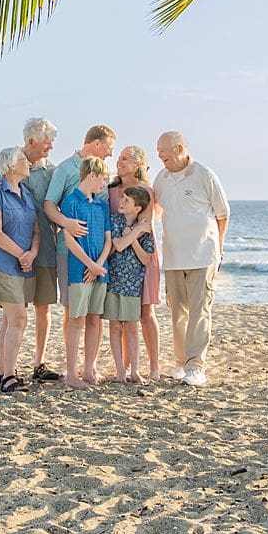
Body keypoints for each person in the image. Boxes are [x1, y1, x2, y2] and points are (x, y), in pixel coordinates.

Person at [0, 116, 62, 382]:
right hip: (12, 253)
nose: (50, 147)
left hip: (43, 248)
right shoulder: (10, 163)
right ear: (31, 141)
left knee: (43, 307)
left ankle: (39, 363)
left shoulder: (51, 171)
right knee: (14, 313)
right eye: (46, 143)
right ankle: (4, 370)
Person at [152, 131, 229, 387]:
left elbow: (222, 214)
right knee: (177, 312)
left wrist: (219, 247)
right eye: (158, 150)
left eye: (163, 150)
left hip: (203, 255)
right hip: (173, 257)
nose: (159, 155)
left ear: (179, 148)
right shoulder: (161, 179)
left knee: (200, 311)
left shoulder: (204, 175)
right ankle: (181, 362)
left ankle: (196, 366)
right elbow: (155, 212)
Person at [0, 146, 39, 394]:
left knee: (9, 319)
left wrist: (32, 253)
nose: (28, 163)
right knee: (19, 318)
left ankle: (1, 370)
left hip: (24, 264)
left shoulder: (26, 194)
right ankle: (9, 376)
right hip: (2, 263)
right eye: (23, 159)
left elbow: (36, 230)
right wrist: (21, 255)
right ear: (10, 166)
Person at [109, 146, 162, 381]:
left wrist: (128, 237)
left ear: (137, 165)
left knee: (145, 312)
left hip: (142, 257)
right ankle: (125, 366)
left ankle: (154, 367)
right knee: (122, 315)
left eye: (125, 159)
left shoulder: (145, 191)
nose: (119, 162)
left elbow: (145, 227)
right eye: (119, 158)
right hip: (118, 260)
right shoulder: (111, 190)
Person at [59, 156, 112, 386]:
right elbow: (69, 239)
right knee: (76, 320)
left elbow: (108, 240)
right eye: (103, 179)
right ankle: (71, 374)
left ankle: (89, 370)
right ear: (92, 175)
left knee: (94, 319)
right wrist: (90, 265)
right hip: (79, 271)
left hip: (100, 270)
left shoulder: (102, 205)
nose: (104, 184)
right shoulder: (71, 202)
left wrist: (98, 265)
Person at [105, 183, 154, 382]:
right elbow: (118, 244)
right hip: (113, 281)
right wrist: (135, 232)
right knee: (115, 326)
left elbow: (146, 258)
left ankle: (135, 370)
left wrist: (133, 239)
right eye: (122, 197)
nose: (121, 201)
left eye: (127, 200)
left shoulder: (146, 228)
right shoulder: (114, 221)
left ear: (137, 208)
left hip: (133, 284)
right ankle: (120, 371)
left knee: (132, 327)